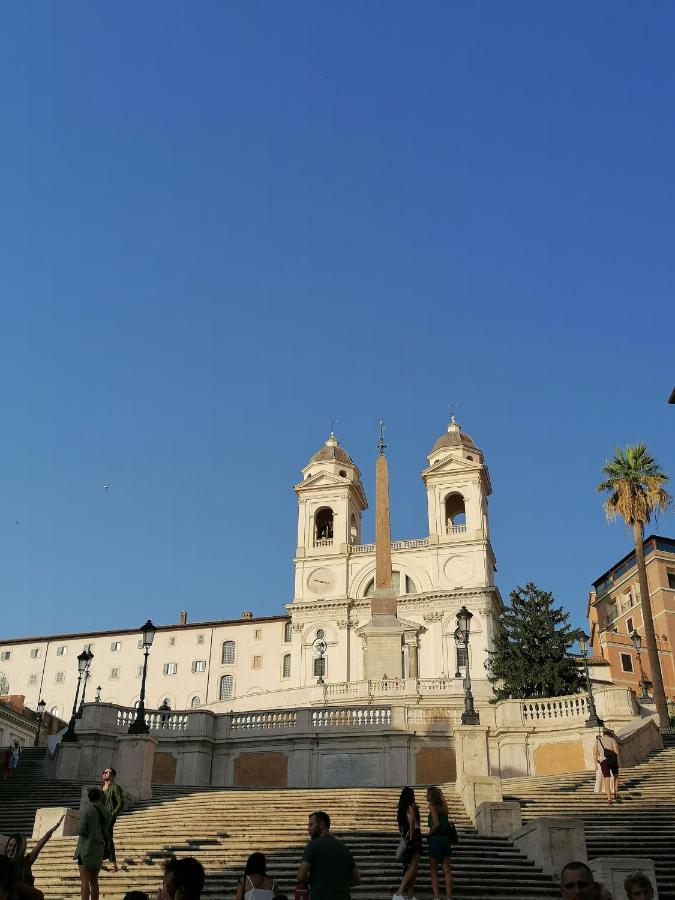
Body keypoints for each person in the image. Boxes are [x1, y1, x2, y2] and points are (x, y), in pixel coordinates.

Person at [297, 811, 359, 900]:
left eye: (311, 825)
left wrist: (315, 883)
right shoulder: (344, 848)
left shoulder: (313, 845)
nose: (308, 829)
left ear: (322, 825)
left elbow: (301, 876)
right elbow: (356, 879)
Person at [4, 816, 64, 887]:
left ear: (20, 849)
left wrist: (54, 828)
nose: (11, 849)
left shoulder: (25, 862)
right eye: (10, 845)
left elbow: (39, 845)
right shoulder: (3, 863)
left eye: (15, 846)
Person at [74, 787, 109, 900]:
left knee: (85, 881)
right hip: (98, 848)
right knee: (94, 881)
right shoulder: (105, 812)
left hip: (85, 848)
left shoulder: (87, 810)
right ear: (100, 797)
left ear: (89, 797)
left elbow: (81, 829)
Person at [392, 787, 422, 900]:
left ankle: (410, 894)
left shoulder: (401, 809)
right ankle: (400, 892)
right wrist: (411, 836)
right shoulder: (411, 806)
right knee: (414, 865)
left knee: (413, 866)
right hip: (415, 836)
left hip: (409, 837)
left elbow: (401, 827)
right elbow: (412, 821)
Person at [426, 786, 453, 900]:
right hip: (445, 839)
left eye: (427, 794)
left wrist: (429, 834)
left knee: (434, 870)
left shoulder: (432, 806)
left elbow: (436, 824)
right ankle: (448, 897)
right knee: (447, 870)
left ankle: (436, 897)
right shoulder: (444, 806)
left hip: (436, 839)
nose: (425, 796)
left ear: (431, 795)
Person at [101, 766, 125, 872]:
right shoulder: (100, 788)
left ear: (113, 775)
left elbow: (121, 803)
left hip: (109, 817)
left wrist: (112, 814)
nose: (106, 773)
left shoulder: (115, 787)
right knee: (101, 839)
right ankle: (101, 861)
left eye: (109, 772)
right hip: (100, 817)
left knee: (108, 838)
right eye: (104, 772)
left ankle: (113, 863)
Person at [593, 728, 620, 804]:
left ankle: (609, 799)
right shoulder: (612, 740)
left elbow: (595, 753)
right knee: (616, 776)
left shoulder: (598, 741)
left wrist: (595, 764)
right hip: (612, 760)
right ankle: (616, 793)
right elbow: (617, 752)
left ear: (604, 734)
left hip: (603, 761)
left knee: (606, 779)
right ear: (610, 735)